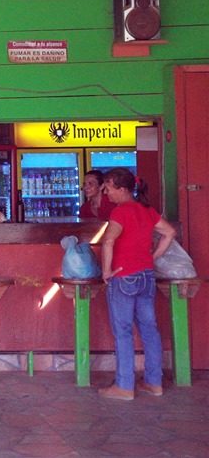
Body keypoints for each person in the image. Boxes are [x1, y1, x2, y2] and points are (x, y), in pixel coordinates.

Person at [97, 167, 177, 400]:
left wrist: (106, 271)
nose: (106, 193)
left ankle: (124, 386)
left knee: (122, 331)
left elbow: (108, 241)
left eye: (109, 189)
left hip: (124, 277)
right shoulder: (147, 210)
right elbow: (169, 232)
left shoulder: (121, 212)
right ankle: (154, 383)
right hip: (146, 276)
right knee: (149, 330)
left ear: (122, 189)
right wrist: (152, 258)